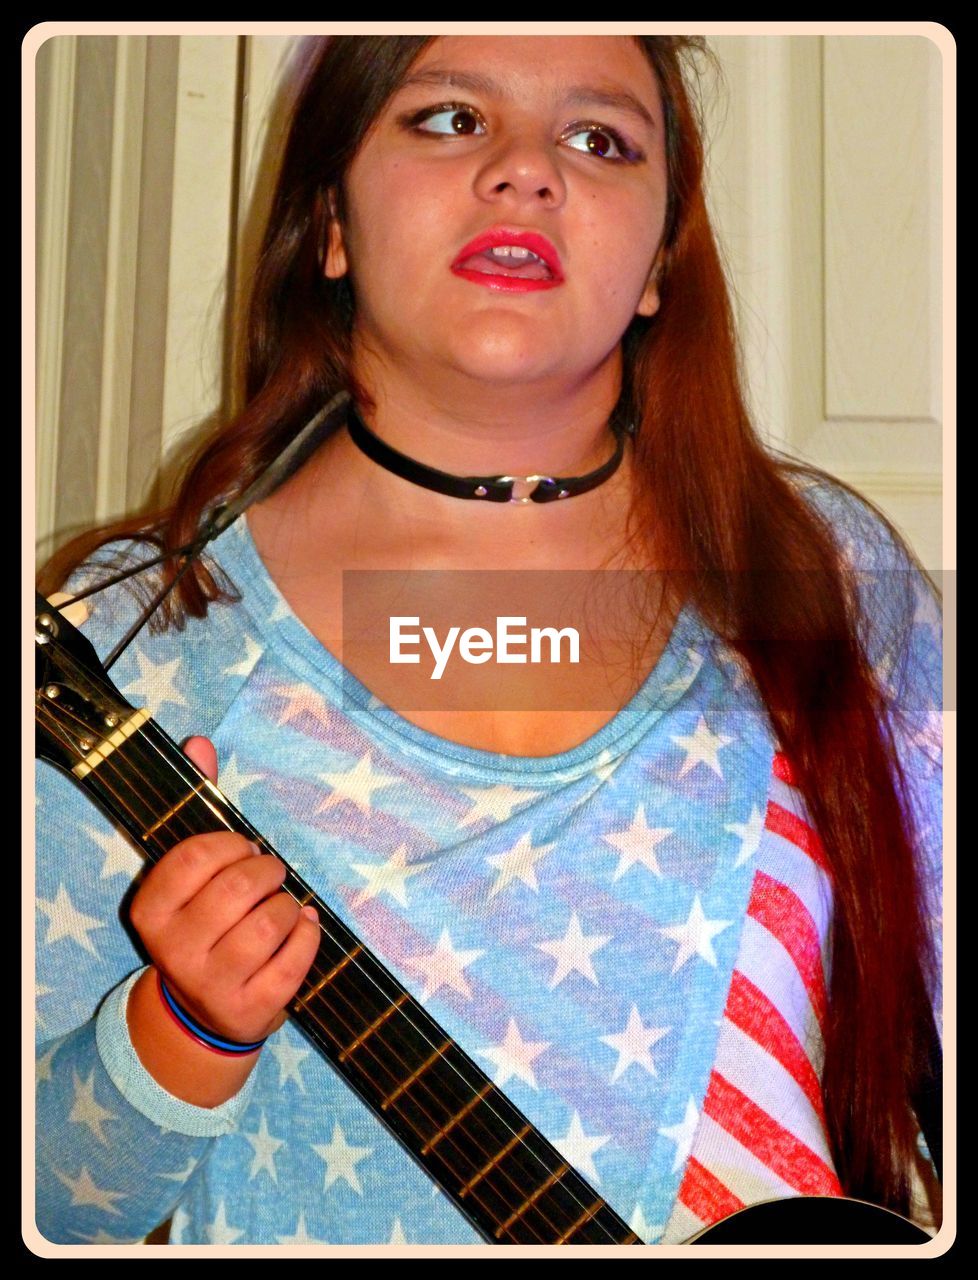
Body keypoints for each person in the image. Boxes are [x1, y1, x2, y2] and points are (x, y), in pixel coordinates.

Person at [35, 34, 942, 1247]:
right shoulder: (146, 633)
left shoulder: (826, 576)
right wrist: (179, 1033)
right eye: (451, 120)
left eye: (598, 138)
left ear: (659, 263)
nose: (527, 171)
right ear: (331, 226)